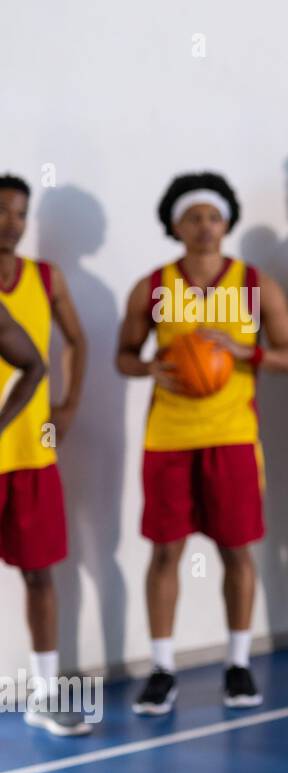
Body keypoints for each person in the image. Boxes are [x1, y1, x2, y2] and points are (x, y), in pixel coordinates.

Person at [117, 172, 288, 714]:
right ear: (175, 225)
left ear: (227, 223)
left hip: (232, 438)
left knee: (236, 551)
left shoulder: (253, 285)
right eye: (193, 217)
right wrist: (149, 365)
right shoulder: (152, 286)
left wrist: (248, 353)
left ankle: (239, 664)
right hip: (169, 438)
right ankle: (161, 669)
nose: (204, 227)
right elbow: (123, 356)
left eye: (213, 217)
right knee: (165, 552)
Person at [0, 173, 90, 736]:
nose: (11, 223)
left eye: (19, 214)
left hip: (30, 451)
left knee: (40, 574)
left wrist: (69, 406)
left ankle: (45, 693)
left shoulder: (43, 278)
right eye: (2, 211)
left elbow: (69, 345)